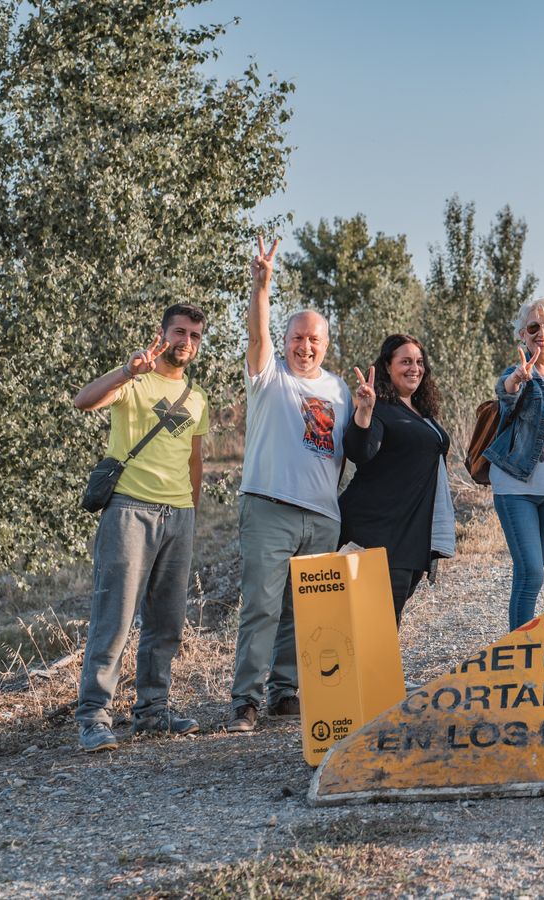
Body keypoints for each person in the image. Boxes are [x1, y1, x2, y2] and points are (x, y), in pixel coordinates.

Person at [70, 305, 210, 752]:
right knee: (114, 618)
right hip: (130, 510)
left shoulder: (197, 397)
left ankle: (153, 711)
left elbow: (194, 459)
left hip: (178, 516)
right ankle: (93, 716)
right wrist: (126, 372)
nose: (185, 341)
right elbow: (83, 401)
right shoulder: (135, 379)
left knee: (166, 621)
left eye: (194, 335)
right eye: (179, 332)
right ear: (162, 334)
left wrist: (191, 509)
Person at [226, 237, 351, 733]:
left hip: (322, 515)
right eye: (297, 338)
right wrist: (262, 287)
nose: (305, 346)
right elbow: (257, 337)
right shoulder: (268, 375)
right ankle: (246, 700)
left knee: (304, 612)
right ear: (286, 340)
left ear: (326, 343)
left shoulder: (339, 389)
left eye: (314, 340)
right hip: (269, 508)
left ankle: (285, 691)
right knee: (261, 605)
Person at [338, 334, 453, 626]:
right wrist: (363, 413)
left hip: (411, 538)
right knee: (377, 625)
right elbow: (359, 451)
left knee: (384, 623)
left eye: (419, 362)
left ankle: (376, 673)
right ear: (387, 367)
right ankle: (371, 674)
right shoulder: (381, 410)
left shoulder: (420, 412)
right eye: (405, 362)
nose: (414, 368)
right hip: (377, 535)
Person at [485, 298, 544, 630]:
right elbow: (506, 392)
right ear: (522, 335)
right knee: (531, 572)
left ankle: (520, 647)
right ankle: (518, 654)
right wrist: (516, 382)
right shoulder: (520, 372)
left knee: (533, 571)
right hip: (518, 487)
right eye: (533, 327)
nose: (542, 333)